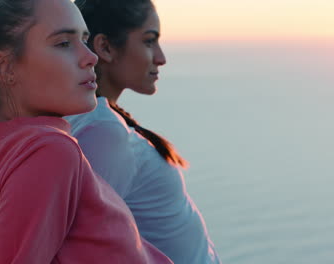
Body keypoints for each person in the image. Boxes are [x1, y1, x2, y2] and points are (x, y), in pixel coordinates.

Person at [0, 0, 173, 263]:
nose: (90, 57)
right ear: (5, 67)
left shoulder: (3, 145)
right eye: (63, 43)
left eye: (84, 40)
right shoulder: (49, 151)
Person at [65, 0, 221, 263]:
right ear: (105, 47)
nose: (161, 57)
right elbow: (83, 240)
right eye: (149, 41)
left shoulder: (100, 120)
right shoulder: (102, 130)